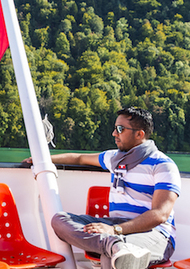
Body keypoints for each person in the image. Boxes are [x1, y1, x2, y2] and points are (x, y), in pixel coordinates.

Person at [23, 107, 180, 269]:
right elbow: (80, 158)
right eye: (115, 128)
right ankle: (112, 244)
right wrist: (41, 159)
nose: (114, 133)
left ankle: (113, 246)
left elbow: (160, 215)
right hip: (115, 227)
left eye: (120, 129)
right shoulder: (114, 158)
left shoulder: (162, 165)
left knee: (113, 257)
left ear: (139, 134)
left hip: (155, 234)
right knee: (60, 220)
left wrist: (115, 230)